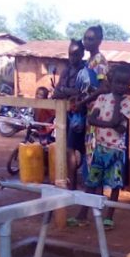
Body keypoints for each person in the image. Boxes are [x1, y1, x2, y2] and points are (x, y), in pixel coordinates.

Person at [69, 66, 130, 230]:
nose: (120, 86)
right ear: (111, 82)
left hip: (116, 151)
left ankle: (109, 218)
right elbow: (92, 119)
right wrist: (110, 124)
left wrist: (117, 104)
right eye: (117, 82)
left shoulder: (127, 104)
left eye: (124, 83)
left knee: (114, 185)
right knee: (91, 182)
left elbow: (120, 128)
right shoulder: (102, 99)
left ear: (129, 85)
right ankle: (82, 215)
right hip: (100, 148)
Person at [52, 40, 92, 189]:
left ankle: (74, 185)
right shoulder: (66, 71)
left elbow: (84, 92)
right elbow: (55, 93)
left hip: (81, 116)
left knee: (74, 150)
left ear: (82, 54)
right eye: (70, 54)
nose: (72, 58)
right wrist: (66, 91)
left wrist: (65, 91)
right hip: (66, 116)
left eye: (75, 54)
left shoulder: (86, 70)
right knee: (68, 150)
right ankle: (72, 183)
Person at [81, 25, 109, 171]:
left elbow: (104, 87)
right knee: (88, 149)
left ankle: (95, 190)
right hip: (89, 111)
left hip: (97, 112)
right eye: (85, 38)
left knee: (93, 149)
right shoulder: (88, 61)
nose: (86, 41)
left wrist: (84, 101)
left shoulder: (99, 60)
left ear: (99, 41)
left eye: (90, 39)